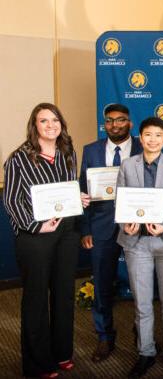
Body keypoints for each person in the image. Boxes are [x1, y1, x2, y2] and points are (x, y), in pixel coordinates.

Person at [3, 103, 90, 378]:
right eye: (44, 121)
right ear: (35, 126)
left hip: (66, 232)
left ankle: (62, 352)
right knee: (37, 298)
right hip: (35, 236)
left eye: (55, 120)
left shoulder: (67, 152)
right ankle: (38, 363)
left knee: (64, 293)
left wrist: (78, 199)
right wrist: (35, 225)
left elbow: (65, 192)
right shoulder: (19, 158)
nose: (51, 125)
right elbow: (12, 199)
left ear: (61, 124)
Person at [117, 117, 163, 378]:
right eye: (148, 135)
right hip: (137, 244)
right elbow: (121, 200)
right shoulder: (127, 165)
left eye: (158, 135)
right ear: (140, 137)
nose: (153, 139)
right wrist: (127, 223)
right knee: (142, 303)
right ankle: (145, 352)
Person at [79, 103, 143, 362]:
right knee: (102, 284)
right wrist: (85, 228)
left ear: (130, 123)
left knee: (142, 284)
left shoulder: (144, 146)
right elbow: (82, 191)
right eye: (109, 121)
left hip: (137, 225)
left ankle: (143, 332)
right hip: (101, 226)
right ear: (104, 124)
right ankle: (104, 336)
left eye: (120, 120)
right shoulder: (91, 150)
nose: (114, 125)